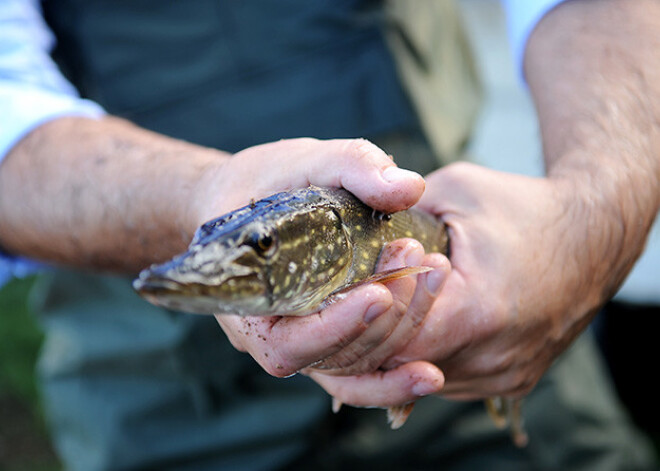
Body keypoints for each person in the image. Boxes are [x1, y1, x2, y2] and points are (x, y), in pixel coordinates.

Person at [0, 0, 657, 470]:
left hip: (484, 309)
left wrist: (594, 215)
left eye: (256, 250)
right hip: (167, 399)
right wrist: (203, 198)